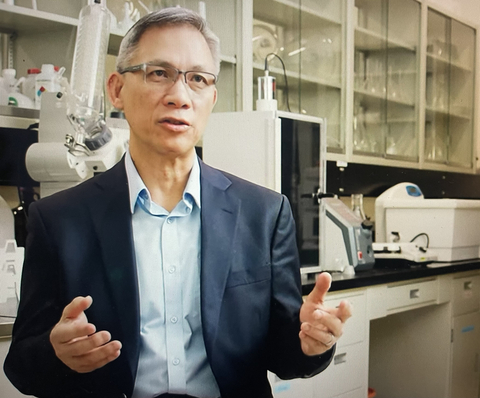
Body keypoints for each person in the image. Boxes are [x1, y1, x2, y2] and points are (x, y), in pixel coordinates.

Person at [4, 7, 352, 398]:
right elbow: (20, 364)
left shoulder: (263, 214)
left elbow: (285, 355)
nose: (180, 96)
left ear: (212, 97)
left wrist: (312, 344)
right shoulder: (59, 219)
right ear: (116, 89)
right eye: (158, 73)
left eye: (198, 79)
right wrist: (57, 353)